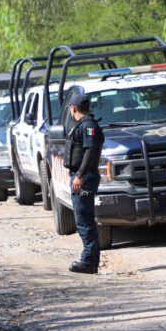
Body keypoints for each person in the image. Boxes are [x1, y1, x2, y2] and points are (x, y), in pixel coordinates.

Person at [64, 92, 104, 274]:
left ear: (73, 108)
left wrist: (79, 175)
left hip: (84, 177)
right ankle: (91, 260)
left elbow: (90, 151)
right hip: (82, 175)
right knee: (85, 219)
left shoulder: (88, 126)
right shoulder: (85, 125)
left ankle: (88, 261)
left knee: (84, 220)